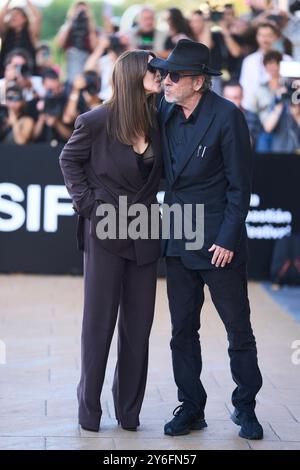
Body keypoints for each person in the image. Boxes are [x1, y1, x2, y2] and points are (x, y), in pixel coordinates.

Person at [150, 39, 263, 440]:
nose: (166, 80)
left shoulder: (227, 117)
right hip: (179, 234)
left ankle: (246, 406)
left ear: (198, 82)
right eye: (164, 73)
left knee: (238, 328)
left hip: (218, 242)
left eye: (174, 75)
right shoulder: (165, 109)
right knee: (182, 329)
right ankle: (192, 407)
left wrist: (228, 238)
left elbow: (240, 186)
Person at [59, 50, 162, 432]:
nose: (159, 75)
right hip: (105, 231)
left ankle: (129, 412)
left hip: (146, 231)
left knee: (139, 327)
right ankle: (89, 411)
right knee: (98, 324)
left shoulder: (158, 119)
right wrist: (88, 204)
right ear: (134, 74)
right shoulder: (96, 120)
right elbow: (68, 161)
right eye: (153, 69)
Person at [0, 0, 41, 78]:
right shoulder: (5, 33)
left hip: (28, 74)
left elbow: (37, 17)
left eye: (17, 14)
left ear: (24, 19)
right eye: (11, 15)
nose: (13, 17)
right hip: (5, 73)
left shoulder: (30, 33)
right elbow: (1, 18)